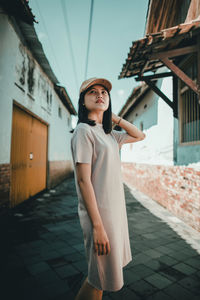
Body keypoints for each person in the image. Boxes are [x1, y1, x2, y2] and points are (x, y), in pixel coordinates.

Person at [70, 77, 146, 300]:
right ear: (83, 102)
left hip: (115, 214)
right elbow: (83, 181)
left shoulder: (110, 134)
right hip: (100, 216)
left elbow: (139, 135)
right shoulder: (84, 131)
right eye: (92, 92)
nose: (100, 94)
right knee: (98, 278)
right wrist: (97, 227)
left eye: (104, 92)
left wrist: (112, 117)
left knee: (100, 279)